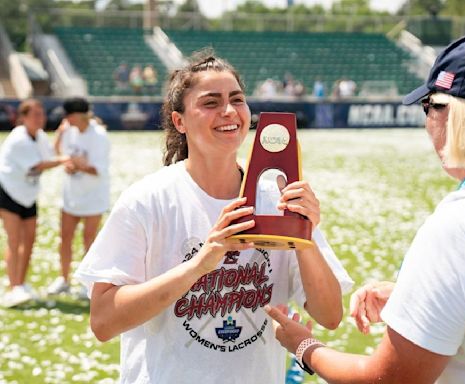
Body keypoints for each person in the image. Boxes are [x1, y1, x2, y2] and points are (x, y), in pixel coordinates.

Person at [74, 51, 353, 383]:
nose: (229, 111)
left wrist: (303, 235)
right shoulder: (147, 199)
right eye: (211, 102)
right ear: (179, 121)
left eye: (237, 99)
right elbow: (103, 321)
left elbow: (330, 314)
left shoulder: (277, 198)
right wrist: (199, 265)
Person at [266, 29, 465, 383]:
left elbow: (391, 379)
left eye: (430, 106)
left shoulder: (462, 226)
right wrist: (422, 298)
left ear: (457, 116)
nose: (428, 122)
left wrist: (305, 347)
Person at [0, 99, 67, 307]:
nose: (41, 118)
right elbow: (39, 164)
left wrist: (61, 135)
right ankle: (14, 288)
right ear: (23, 117)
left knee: (29, 240)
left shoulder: (39, 136)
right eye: (35, 114)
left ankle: (21, 284)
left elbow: (52, 155)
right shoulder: (18, 138)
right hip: (8, 192)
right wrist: (67, 160)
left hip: (28, 195)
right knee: (14, 240)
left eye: (42, 114)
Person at [47, 98, 110, 297]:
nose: (65, 119)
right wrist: (70, 163)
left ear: (76, 116)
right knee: (65, 237)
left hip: (93, 196)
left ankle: (87, 284)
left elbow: (97, 169)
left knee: (89, 240)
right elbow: (59, 154)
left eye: (67, 115)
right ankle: (63, 279)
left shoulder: (99, 135)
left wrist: (78, 164)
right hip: (71, 194)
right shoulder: (68, 131)